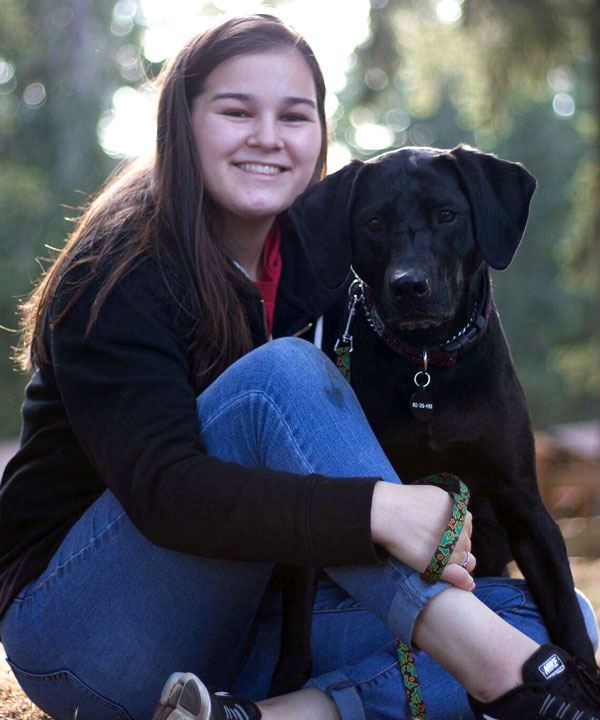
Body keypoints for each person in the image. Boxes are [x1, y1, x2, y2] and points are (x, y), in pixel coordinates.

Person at [0, 13, 598, 720]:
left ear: (321, 132)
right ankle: (512, 681)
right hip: (89, 637)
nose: (268, 136)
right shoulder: (121, 270)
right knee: (284, 376)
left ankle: (266, 716)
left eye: (294, 114)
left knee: (558, 620)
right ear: (180, 125)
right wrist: (381, 507)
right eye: (235, 111)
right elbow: (168, 494)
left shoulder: (321, 268)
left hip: (231, 638)